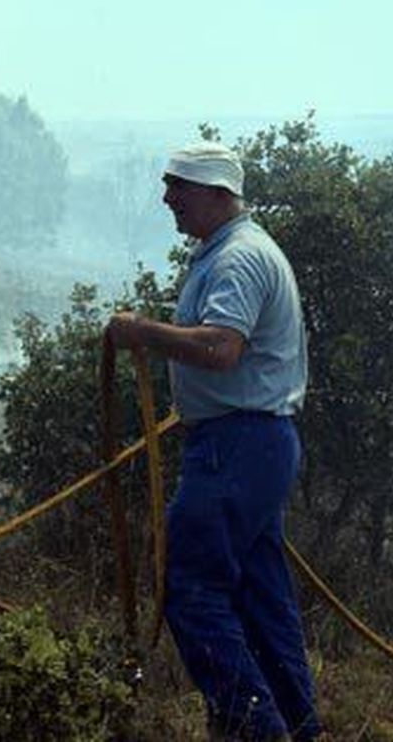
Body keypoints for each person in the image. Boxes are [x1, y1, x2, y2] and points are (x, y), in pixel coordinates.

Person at [106, 141, 321, 742]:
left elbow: (222, 349)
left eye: (180, 186)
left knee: (191, 588)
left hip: (237, 446)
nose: (167, 198)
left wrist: (141, 333)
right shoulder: (225, 252)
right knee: (260, 600)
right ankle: (297, 729)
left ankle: (256, 731)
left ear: (218, 193)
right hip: (250, 445)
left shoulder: (239, 259)